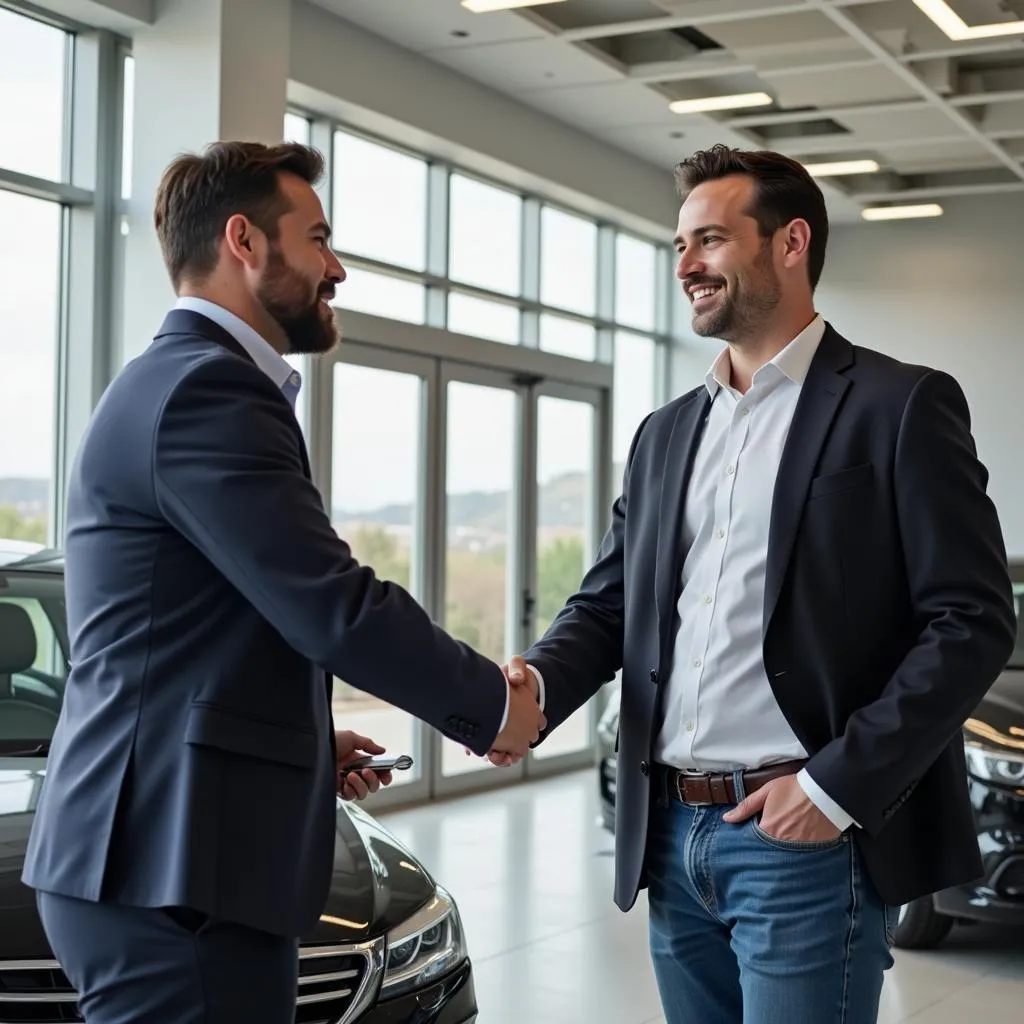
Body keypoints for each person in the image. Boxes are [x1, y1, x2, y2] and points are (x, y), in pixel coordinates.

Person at [21, 140, 545, 1024]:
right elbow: (331, 604)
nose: (336, 268)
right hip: (170, 872)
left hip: (174, 856)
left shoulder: (185, 381)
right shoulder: (207, 391)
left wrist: (303, 742)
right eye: (319, 239)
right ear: (245, 242)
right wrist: (493, 704)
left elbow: (201, 636)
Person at [491, 144, 1016, 1023]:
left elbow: (970, 621)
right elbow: (611, 602)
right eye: (678, 245)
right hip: (667, 835)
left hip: (801, 836)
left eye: (710, 239)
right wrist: (531, 690)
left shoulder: (901, 405)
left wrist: (834, 788)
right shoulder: (665, 433)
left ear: (790, 243)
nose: (687, 265)